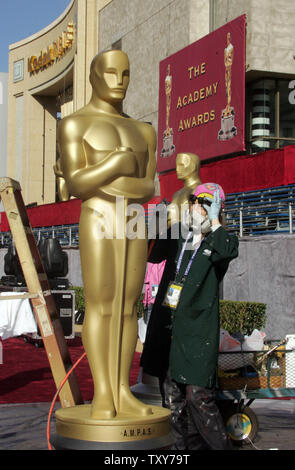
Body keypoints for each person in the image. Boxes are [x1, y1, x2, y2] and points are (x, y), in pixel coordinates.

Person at [58, 49, 156, 419]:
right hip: (98, 216)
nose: (120, 81)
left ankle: (121, 389)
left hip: (133, 217)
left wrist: (114, 178)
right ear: (94, 77)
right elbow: (76, 182)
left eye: (126, 74)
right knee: (101, 303)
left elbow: (149, 187)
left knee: (128, 306)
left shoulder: (143, 129)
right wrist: (116, 163)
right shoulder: (75, 124)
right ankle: (103, 392)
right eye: (111, 73)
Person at [140, 182, 239, 449]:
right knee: (174, 400)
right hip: (171, 332)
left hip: (197, 335)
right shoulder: (181, 237)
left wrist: (215, 221)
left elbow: (229, 250)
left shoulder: (219, 241)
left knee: (199, 398)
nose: (197, 206)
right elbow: (149, 252)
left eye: (205, 203)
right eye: (195, 200)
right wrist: (161, 220)